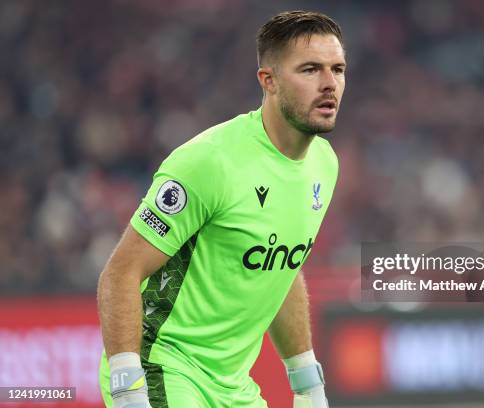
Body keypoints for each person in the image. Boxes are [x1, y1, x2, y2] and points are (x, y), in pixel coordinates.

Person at [97, 10, 346, 408]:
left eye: (337, 69)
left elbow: (281, 269)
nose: (330, 84)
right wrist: (129, 388)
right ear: (270, 81)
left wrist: (307, 384)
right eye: (311, 70)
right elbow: (120, 272)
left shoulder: (325, 165)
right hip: (163, 367)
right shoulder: (210, 162)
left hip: (233, 386)